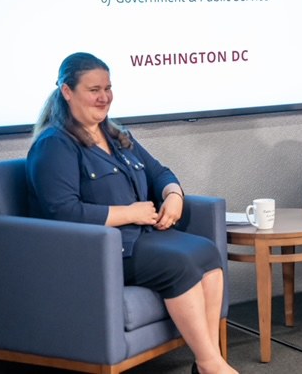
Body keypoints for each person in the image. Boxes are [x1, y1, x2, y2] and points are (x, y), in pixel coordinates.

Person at [26, 52, 238, 374]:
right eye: (94, 89)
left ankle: (206, 362)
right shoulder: (55, 144)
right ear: (67, 92)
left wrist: (174, 196)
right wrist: (129, 213)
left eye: (108, 88)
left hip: (142, 238)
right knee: (179, 265)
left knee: (207, 252)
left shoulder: (116, 135)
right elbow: (63, 212)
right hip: (102, 252)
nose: (104, 97)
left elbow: (159, 172)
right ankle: (212, 365)